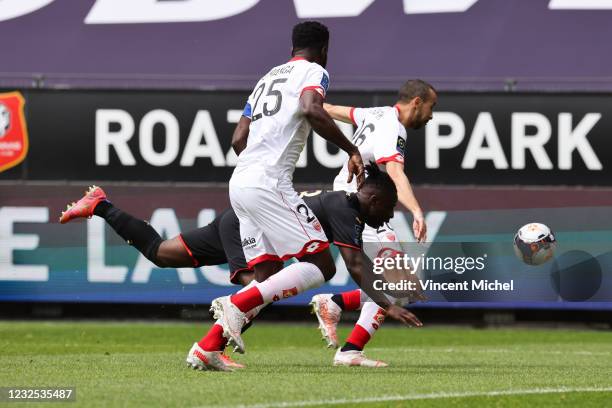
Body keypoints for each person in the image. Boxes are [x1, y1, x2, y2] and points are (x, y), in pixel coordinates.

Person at [58, 164, 422, 371]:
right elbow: (355, 264)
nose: (389, 215)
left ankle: (101, 205)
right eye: (389, 208)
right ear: (373, 199)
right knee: (259, 289)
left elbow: (362, 263)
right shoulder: (347, 211)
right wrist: (387, 304)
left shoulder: (345, 207)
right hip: (250, 226)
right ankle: (207, 348)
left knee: (159, 252)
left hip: (241, 219)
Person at [205, 20, 370, 356]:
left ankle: (209, 348)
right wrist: (352, 149)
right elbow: (312, 109)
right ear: (324, 50)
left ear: (291, 47)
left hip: (241, 182)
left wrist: (255, 167)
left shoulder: (266, 78)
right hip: (268, 183)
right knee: (323, 265)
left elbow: (238, 138)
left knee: (266, 273)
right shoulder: (313, 72)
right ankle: (235, 304)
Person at [310, 80, 437, 366]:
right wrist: (416, 211)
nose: (431, 115)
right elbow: (394, 171)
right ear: (417, 102)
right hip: (364, 205)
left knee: (400, 285)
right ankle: (349, 347)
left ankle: (337, 308)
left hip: (347, 198)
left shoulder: (376, 113)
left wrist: (303, 105)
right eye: (432, 107)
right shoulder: (394, 128)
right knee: (398, 285)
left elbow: (330, 109)